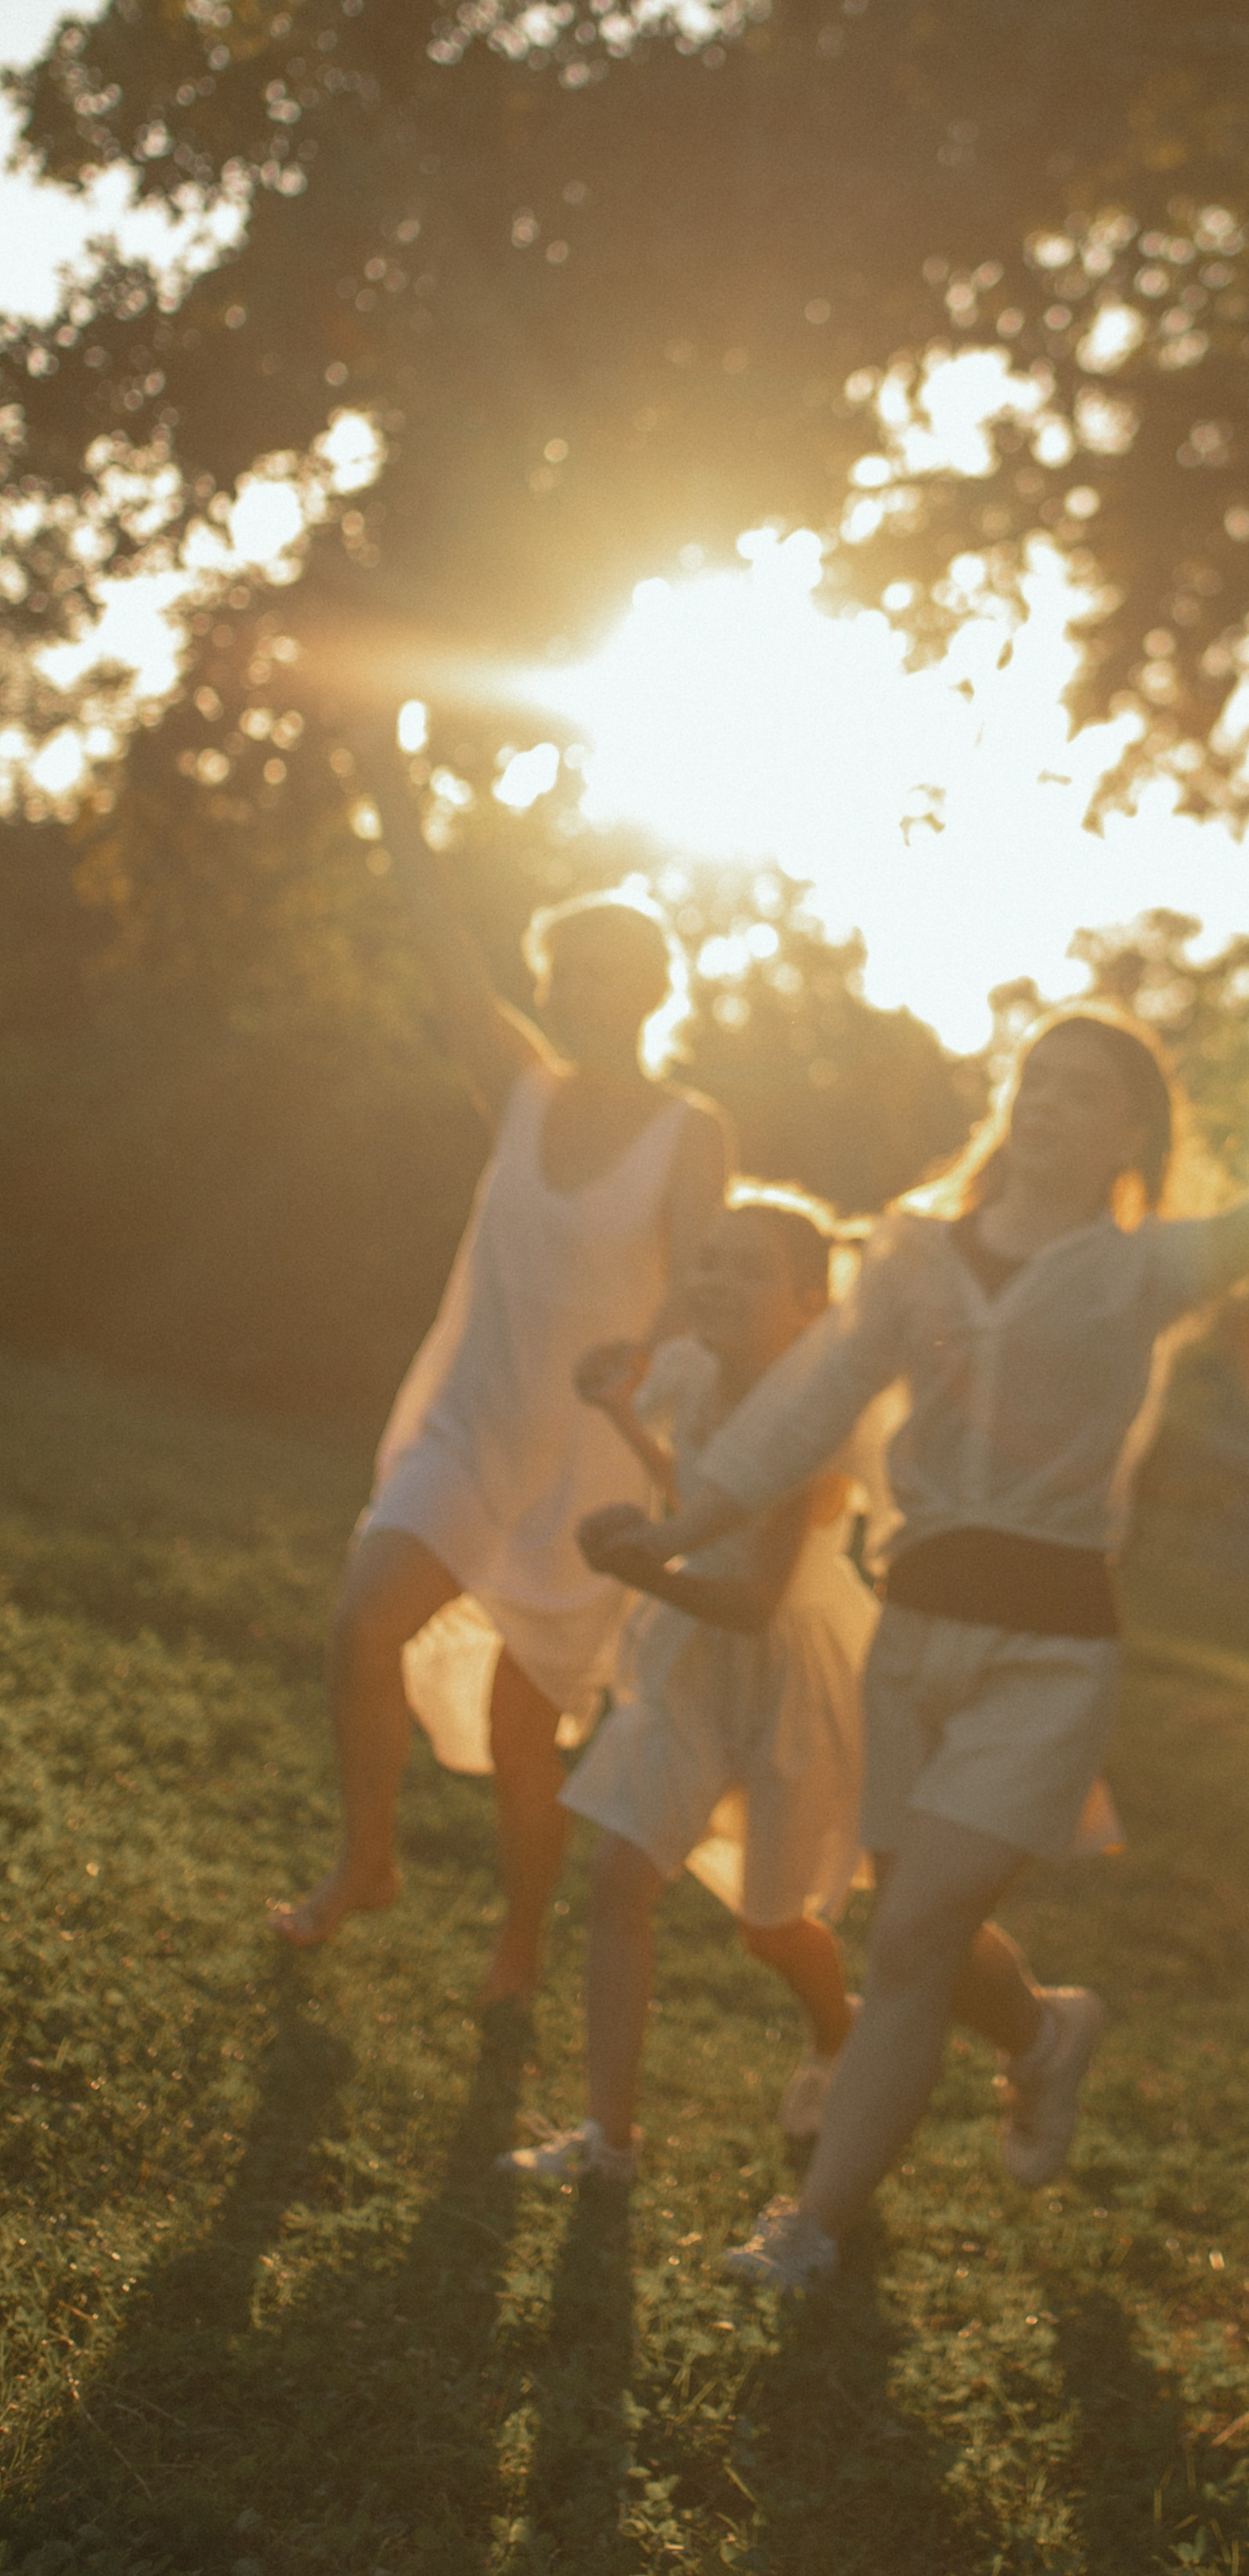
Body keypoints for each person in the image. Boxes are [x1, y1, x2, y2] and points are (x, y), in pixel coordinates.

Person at [585, 1006, 1249, 2290]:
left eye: (1085, 1091)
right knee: (921, 1933)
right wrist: (678, 1528)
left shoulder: (1152, 1267)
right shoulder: (910, 1255)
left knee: (909, 1942)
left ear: (1132, 1133)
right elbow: (809, 1402)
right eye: (1037, 1080)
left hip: (1050, 1655)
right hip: (911, 1636)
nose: (1050, 1103)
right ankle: (1046, 2033)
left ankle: (812, 2230)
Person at [268, 721, 727, 2006]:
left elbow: (702, 1289)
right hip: (470, 1424)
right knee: (364, 1622)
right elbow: (441, 945)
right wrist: (385, 774)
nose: (582, 991)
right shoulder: (518, 1087)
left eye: (607, 974)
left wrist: (647, 1351)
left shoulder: (690, 1130)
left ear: (653, 990)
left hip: (588, 1471)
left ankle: (520, 1948)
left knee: (528, 1740)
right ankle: (368, 1861)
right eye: (564, 972)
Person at [500, 1192, 877, 2185]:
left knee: (771, 1927)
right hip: (692, 1665)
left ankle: (839, 2034)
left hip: (787, 1672)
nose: (716, 1281)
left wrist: (637, 1567)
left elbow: (754, 1600)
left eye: (749, 1269)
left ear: (808, 1306)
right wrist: (625, 1421)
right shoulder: (705, 1376)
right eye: (709, 1261)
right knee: (618, 1878)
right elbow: (700, 1498)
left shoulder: (811, 1420)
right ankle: (609, 2141)